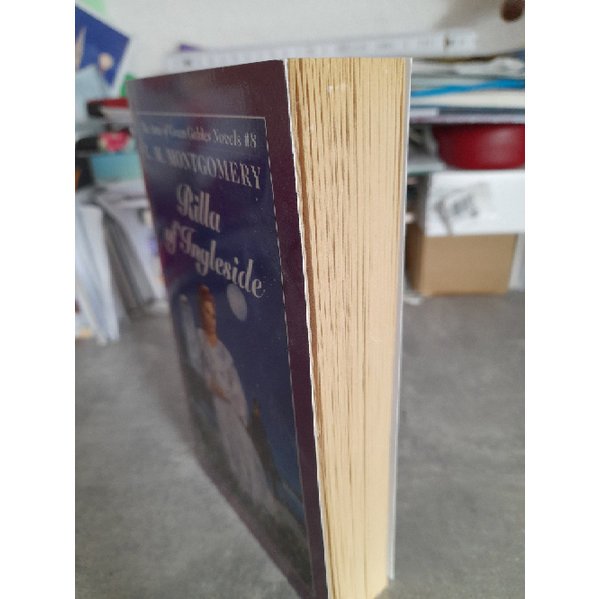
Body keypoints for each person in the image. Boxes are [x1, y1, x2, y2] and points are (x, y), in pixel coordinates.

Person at [194, 285, 276, 513]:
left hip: (230, 402)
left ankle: (254, 493)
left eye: (214, 315)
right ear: (201, 313)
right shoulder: (201, 339)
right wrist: (213, 385)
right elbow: (203, 369)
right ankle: (238, 485)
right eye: (207, 313)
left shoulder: (221, 348)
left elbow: (234, 380)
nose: (211, 319)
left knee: (242, 444)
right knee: (228, 440)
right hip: (218, 401)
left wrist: (234, 400)